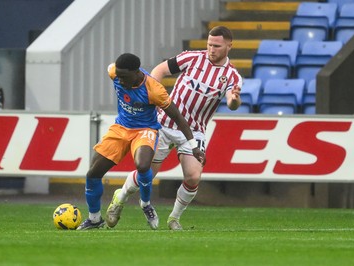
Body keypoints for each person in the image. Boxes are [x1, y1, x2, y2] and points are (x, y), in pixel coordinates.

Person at [106, 26, 242, 230]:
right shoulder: (192, 58)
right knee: (147, 174)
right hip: (163, 122)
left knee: (193, 176)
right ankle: (120, 196)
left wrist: (234, 100)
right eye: (209, 45)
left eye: (216, 46)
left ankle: (174, 218)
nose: (211, 49)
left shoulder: (232, 77)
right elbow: (160, 70)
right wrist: (150, 93)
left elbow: (232, 103)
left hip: (194, 130)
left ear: (229, 46)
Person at [76, 53, 205, 230]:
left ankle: (145, 204)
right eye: (118, 76)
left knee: (143, 166)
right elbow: (112, 69)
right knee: (93, 173)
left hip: (145, 130)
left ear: (137, 72)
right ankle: (95, 219)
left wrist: (194, 146)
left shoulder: (154, 89)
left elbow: (178, 117)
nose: (120, 81)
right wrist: (118, 74)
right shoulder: (114, 72)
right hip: (120, 128)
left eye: (124, 77)